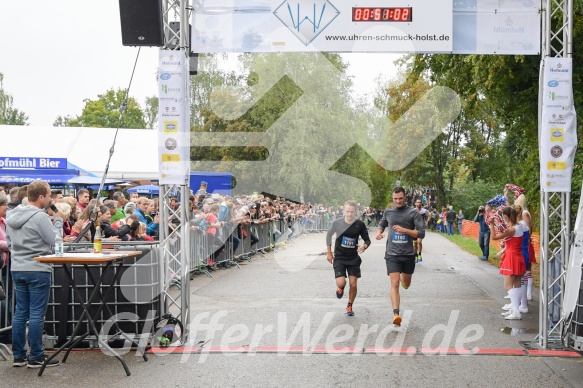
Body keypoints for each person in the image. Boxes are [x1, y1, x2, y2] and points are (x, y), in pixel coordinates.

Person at [6, 180, 64, 368]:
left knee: (20, 312)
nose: (49, 199)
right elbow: (55, 239)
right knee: (37, 313)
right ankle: (36, 356)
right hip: (38, 267)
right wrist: (58, 220)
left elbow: (8, 243)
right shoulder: (40, 217)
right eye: (48, 195)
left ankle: (19, 356)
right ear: (41, 197)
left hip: (17, 267)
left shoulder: (12, 215)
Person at [376, 187, 425, 326]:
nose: (398, 201)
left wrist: (404, 230)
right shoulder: (389, 212)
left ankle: (405, 280)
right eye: (395, 198)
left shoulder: (413, 212)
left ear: (405, 198)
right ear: (392, 198)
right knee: (394, 283)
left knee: (406, 283)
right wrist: (379, 232)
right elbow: (383, 222)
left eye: (400, 198)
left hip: (408, 254)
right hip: (392, 254)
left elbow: (421, 233)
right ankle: (396, 314)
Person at [326, 200, 371, 317]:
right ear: (343, 211)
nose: (349, 214)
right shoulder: (337, 223)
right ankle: (340, 288)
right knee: (341, 282)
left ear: (355, 211)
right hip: (340, 257)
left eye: (352, 212)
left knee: (353, 284)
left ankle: (349, 305)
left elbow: (367, 240)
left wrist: (364, 246)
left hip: (353, 258)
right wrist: (329, 252)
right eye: (347, 211)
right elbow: (329, 235)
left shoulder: (359, 224)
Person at [489, 206, 526, 320]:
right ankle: (516, 308)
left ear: (505, 217)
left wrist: (491, 224)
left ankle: (516, 311)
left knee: (508, 285)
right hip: (518, 256)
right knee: (517, 284)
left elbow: (494, 237)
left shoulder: (511, 230)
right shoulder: (519, 226)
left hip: (511, 257)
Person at [413, 199, 428, 263]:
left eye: (420, 202)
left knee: (419, 242)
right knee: (415, 243)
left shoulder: (424, 211)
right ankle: (415, 255)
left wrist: (427, 221)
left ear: (421, 203)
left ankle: (419, 254)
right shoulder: (413, 211)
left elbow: (429, 215)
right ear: (415, 203)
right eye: (418, 202)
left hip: (421, 228)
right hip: (414, 228)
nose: (419, 203)